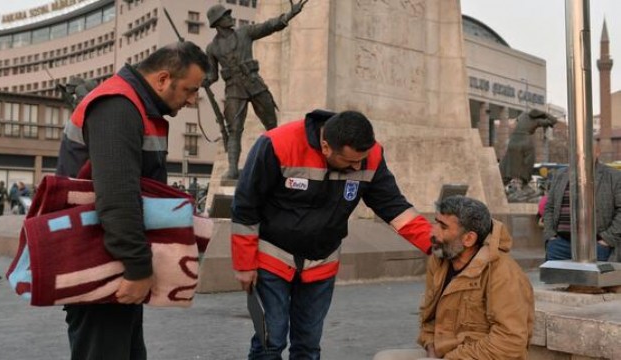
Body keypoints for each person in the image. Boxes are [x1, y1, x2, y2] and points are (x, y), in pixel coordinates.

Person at [231, 110, 433, 359]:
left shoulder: (370, 156)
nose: (358, 166)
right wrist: (244, 263)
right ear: (326, 147)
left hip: (322, 262)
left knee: (308, 344)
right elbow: (245, 205)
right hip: (272, 258)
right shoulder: (277, 144)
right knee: (271, 339)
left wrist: (437, 245)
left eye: (362, 159)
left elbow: (395, 208)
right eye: (350, 162)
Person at [55, 41, 209, 360]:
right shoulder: (118, 105)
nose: (193, 99)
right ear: (163, 79)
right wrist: (138, 268)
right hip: (102, 258)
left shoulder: (134, 104)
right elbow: (118, 195)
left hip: (109, 257)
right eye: (190, 89)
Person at [373, 196, 534, 360]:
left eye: (443, 227)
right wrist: (430, 348)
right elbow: (428, 318)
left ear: (468, 239)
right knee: (384, 358)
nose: (433, 232)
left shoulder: (503, 272)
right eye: (435, 222)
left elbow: (510, 342)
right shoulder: (439, 261)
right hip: (443, 352)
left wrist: (452, 358)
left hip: (479, 357)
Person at [204, 0, 308, 179]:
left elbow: (267, 26)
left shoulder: (244, 32)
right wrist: (204, 81)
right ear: (216, 22)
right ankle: (233, 169)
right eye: (226, 16)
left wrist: (289, 15)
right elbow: (212, 75)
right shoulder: (212, 48)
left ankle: (278, 161)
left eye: (229, 14)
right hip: (234, 91)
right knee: (234, 131)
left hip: (255, 85)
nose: (230, 17)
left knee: (272, 126)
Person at [544, 139, 621, 262]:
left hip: (597, 246)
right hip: (560, 245)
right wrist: (550, 236)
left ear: (597, 152)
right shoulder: (560, 175)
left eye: (586, 151)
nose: (581, 155)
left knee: (592, 281)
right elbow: (549, 207)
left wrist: (607, 239)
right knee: (558, 280)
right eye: (577, 151)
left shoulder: (614, 176)